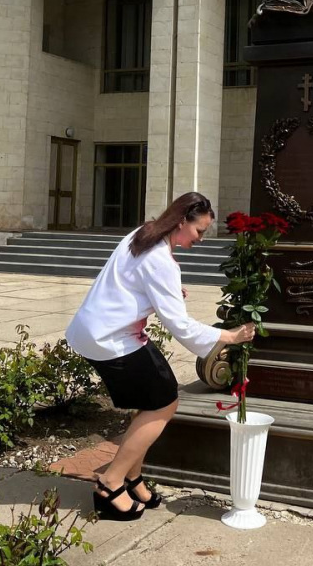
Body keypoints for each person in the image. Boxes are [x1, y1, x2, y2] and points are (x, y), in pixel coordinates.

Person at [65, 192, 255, 522]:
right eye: (199, 231)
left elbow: (129, 276)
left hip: (103, 329)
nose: (201, 239)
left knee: (154, 398)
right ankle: (110, 483)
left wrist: (165, 290)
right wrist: (230, 336)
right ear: (182, 222)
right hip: (110, 338)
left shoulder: (144, 232)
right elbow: (178, 324)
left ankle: (132, 477)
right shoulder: (161, 260)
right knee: (164, 401)